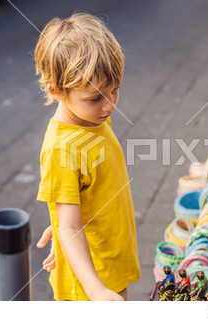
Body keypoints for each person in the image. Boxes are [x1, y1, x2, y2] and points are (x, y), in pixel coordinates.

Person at [34, 13, 140, 301]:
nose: (109, 105)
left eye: (114, 90)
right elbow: (69, 224)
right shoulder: (62, 149)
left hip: (109, 264)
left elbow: (70, 211)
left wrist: (60, 228)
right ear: (56, 90)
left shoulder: (93, 118)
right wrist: (96, 290)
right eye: (95, 98)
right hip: (90, 284)